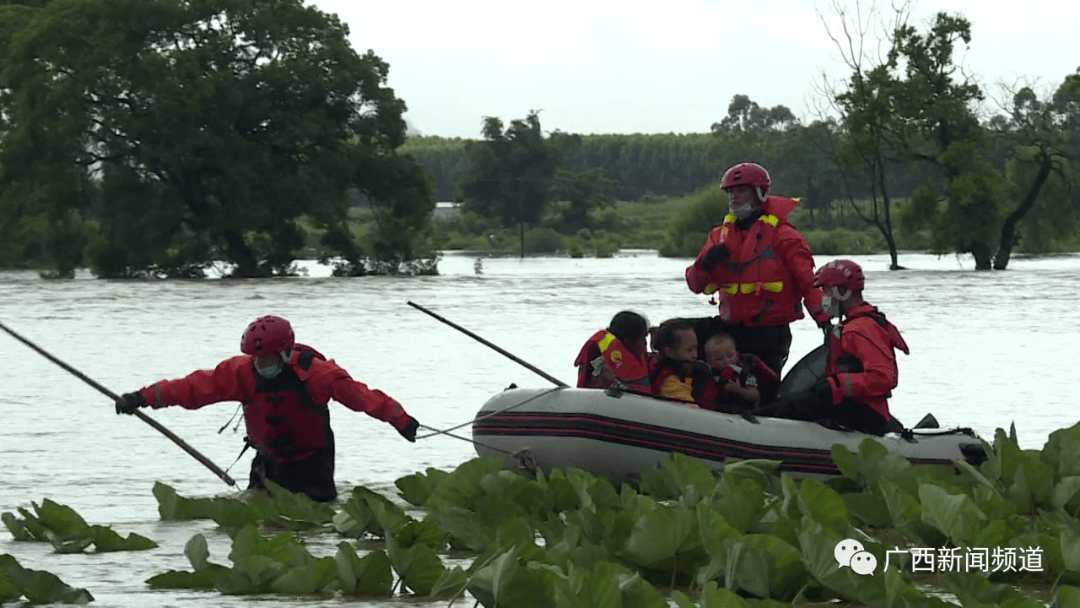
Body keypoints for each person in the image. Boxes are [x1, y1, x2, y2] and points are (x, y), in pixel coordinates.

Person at [114, 315, 420, 502]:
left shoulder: (319, 376)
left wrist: (401, 421)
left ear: (286, 353)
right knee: (260, 516)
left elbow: (364, 398)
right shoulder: (240, 373)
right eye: (256, 359)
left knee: (317, 516)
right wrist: (141, 398)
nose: (260, 365)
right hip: (269, 461)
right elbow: (191, 387)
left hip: (314, 462)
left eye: (267, 359)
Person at [684, 162, 832, 400]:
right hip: (730, 329)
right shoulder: (718, 236)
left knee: (763, 392)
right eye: (730, 192)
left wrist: (825, 322)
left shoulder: (785, 236)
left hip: (770, 334)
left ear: (760, 192)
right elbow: (694, 284)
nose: (733, 197)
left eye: (740, 190)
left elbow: (809, 284)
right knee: (677, 332)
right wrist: (705, 263)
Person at [753, 260, 909, 435]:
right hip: (855, 405)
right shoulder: (853, 325)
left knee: (794, 406)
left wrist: (836, 386)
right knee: (800, 400)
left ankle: (756, 428)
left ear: (842, 292)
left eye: (826, 291)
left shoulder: (861, 329)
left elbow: (882, 378)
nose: (824, 298)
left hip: (866, 412)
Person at [574, 311, 651, 393]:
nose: (645, 343)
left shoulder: (644, 359)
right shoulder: (601, 368)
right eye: (643, 337)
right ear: (628, 340)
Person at [702, 332, 779, 412]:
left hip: (743, 413)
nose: (726, 361)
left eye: (730, 356)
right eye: (719, 359)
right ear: (709, 362)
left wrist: (739, 390)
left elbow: (755, 395)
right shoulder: (707, 375)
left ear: (737, 355)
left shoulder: (744, 373)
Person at [648, 319, 716, 407]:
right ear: (670, 352)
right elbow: (694, 414)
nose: (695, 355)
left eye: (696, 348)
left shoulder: (687, 369)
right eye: (689, 350)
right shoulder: (670, 385)